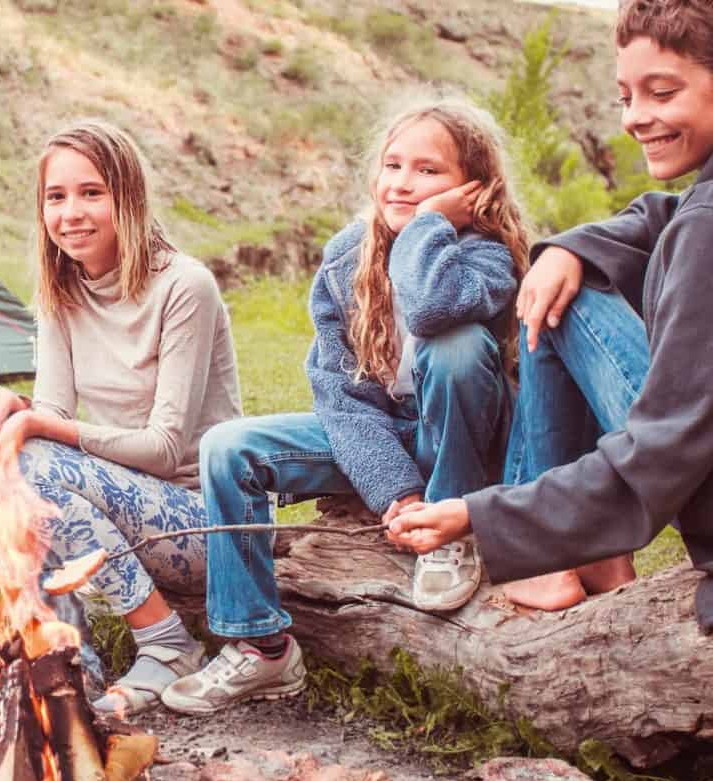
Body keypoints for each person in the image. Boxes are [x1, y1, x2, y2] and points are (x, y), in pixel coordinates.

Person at [387, 0, 713, 628]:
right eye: (625, 97)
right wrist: (571, 246)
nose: (636, 119)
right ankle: (586, 556)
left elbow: (662, 449)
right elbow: (674, 214)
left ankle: (557, 554)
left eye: (662, 92)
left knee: (559, 306)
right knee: (559, 276)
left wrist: (483, 514)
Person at [162, 98, 526, 714]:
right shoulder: (345, 259)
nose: (404, 183)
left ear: (472, 186)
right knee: (229, 448)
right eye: (393, 165)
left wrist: (427, 228)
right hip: (381, 435)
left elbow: (434, 307)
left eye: (429, 171)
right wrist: (396, 496)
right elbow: (342, 398)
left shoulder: (486, 253)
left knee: (457, 345)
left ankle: (448, 531)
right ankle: (260, 648)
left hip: (463, 440)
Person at [0, 121, 242, 715]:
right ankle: (68, 660)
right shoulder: (63, 287)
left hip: (203, 521)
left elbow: (164, 448)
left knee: (35, 463)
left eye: (91, 192)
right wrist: (12, 407)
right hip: (121, 505)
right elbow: (50, 411)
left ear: (127, 197)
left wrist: (37, 428)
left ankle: (165, 641)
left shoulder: (185, 286)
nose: (71, 212)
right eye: (56, 196)